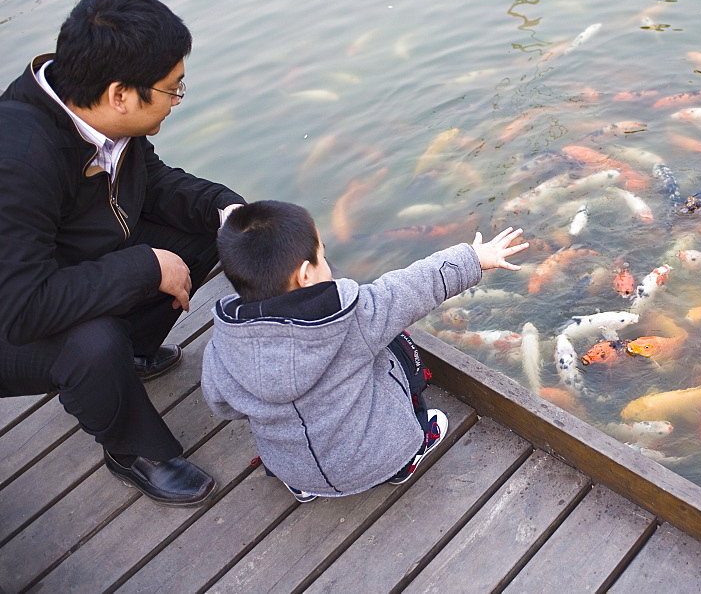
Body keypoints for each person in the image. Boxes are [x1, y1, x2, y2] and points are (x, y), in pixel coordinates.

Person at [0, 0, 245, 506]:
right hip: (1, 322)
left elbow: (152, 183)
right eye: (173, 89)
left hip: (58, 268)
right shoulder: (13, 159)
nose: (176, 100)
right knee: (92, 342)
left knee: (214, 232)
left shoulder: (91, 105)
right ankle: (133, 448)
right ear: (121, 94)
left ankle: (132, 357)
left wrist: (233, 211)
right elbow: (19, 312)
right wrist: (146, 267)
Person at [201, 201, 527, 500]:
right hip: (376, 461)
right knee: (397, 344)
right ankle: (407, 460)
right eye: (322, 255)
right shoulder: (355, 317)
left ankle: (304, 487)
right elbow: (412, 286)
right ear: (305, 274)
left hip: (291, 467)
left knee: (297, 447)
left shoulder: (223, 347)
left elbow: (223, 405)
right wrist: (473, 259)